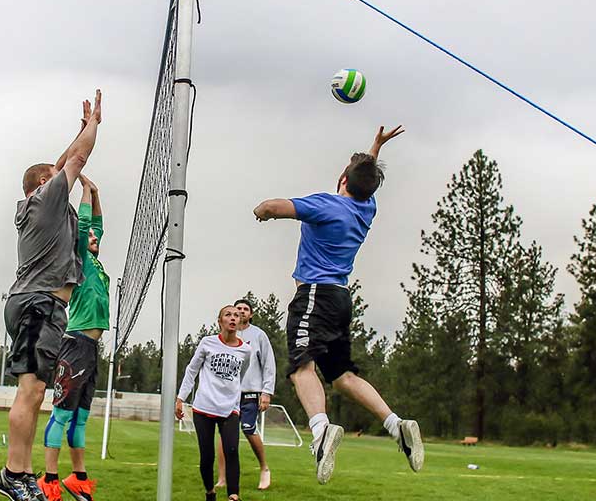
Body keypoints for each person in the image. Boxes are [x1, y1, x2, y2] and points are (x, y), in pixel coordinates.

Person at [251, 125, 423, 484]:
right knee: (343, 376)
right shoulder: (365, 208)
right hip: (341, 299)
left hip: (314, 294)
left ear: (343, 179)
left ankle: (321, 430)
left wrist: (262, 211)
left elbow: (273, 206)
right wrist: (375, 147)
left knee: (302, 368)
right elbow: (365, 178)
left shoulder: (326, 204)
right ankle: (396, 425)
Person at [0, 90, 103, 501]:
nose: (64, 180)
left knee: (35, 390)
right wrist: (93, 127)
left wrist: (75, 135)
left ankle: (17, 474)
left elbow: (62, 162)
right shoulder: (45, 200)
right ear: (45, 184)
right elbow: (73, 162)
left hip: (39, 303)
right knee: (32, 391)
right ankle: (14, 474)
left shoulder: (42, 206)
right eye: (54, 178)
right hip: (40, 303)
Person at [39, 173, 108, 501]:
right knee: (62, 413)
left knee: (80, 417)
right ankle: (48, 480)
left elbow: (97, 224)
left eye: (96, 235)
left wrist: (95, 192)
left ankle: (78, 478)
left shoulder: (95, 260)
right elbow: (84, 226)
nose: (94, 235)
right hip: (75, 343)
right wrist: (83, 186)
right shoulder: (79, 258)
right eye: (90, 234)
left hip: (91, 347)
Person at [177, 306, 252, 501]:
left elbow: (240, 375)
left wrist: (235, 396)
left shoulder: (246, 350)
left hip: (230, 409)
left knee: (232, 450)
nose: (233, 318)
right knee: (207, 457)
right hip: (203, 407)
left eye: (237, 315)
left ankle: (233, 496)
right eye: (228, 315)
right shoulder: (207, 343)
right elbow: (192, 370)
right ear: (220, 321)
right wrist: (181, 398)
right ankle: (210, 492)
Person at [215, 298, 276, 491]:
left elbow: (269, 364)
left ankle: (264, 469)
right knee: (224, 433)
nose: (240, 312)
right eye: (237, 309)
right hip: (229, 393)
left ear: (250, 314)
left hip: (251, 392)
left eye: (245, 309)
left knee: (249, 428)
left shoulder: (258, 335)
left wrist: (267, 392)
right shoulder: (225, 336)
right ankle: (222, 477)